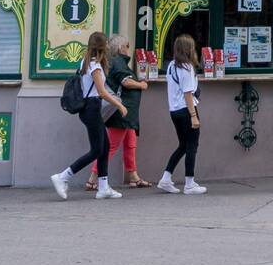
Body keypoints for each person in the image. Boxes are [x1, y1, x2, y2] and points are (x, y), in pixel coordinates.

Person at [51, 31, 127, 200]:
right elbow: (101, 91)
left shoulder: (85, 62)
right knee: (96, 150)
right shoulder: (95, 66)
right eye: (106, 43)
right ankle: (63, 176)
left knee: (104, 147)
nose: (108, 46)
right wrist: (119, 105)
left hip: (89, 109)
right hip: (91, 108)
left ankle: (103, 186)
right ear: (102, 46)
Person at [85, 35, 151, 191]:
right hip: (122, 111)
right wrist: (141, 85)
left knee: (130, 144)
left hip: (127, 112)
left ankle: (133, 177)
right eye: (127, 45)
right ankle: (92, 179)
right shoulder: (118, 61)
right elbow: (125, 81)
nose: (129, 48)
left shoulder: (115, 62)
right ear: (121, 47)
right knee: (111, 146)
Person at [157, 34, 206, 195]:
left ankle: (165, 178)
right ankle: (190, 183)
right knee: (192, 146)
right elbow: (188, 94)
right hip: (186, 110)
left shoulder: (171, 65)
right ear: (189, 49)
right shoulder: (187, 68)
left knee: (183, 146)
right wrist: (194, 115)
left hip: (174, 110)